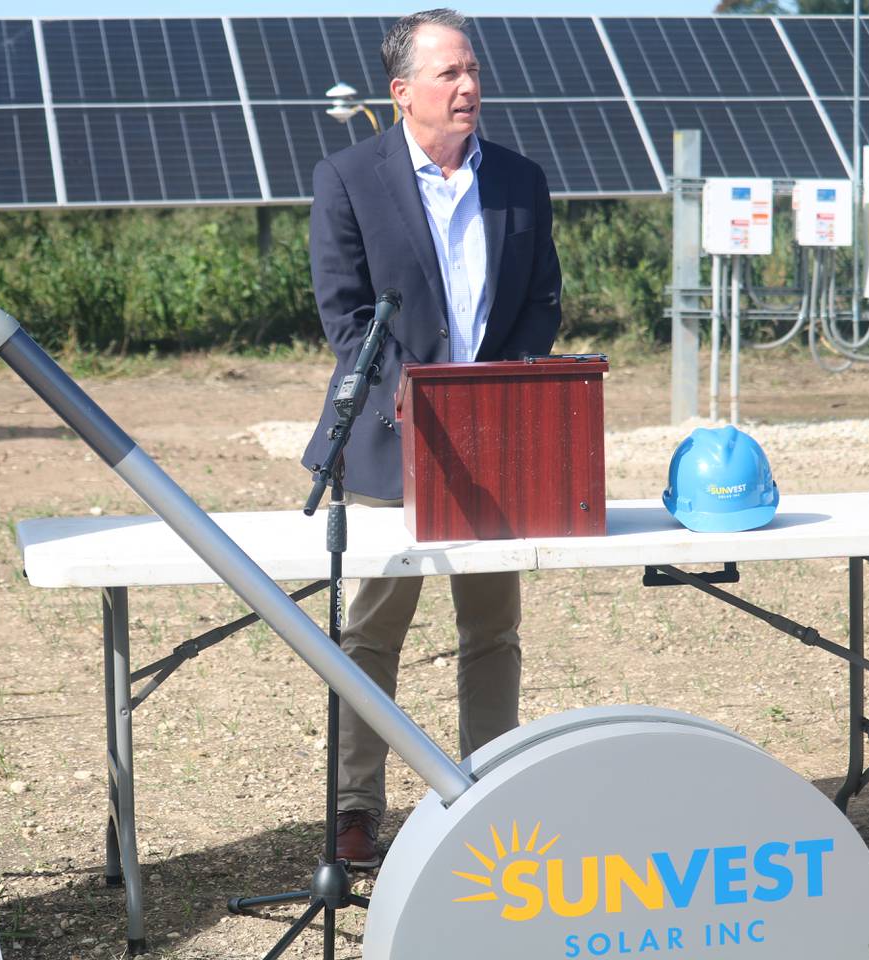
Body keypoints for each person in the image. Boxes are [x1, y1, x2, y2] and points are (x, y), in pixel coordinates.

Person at [300, 8, 562, 869]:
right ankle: (355, 807)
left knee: (494, 626)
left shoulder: (520, 180)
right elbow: (344, 315)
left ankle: (492, 784)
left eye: (473, 70)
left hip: (496, 443)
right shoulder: (348, 177)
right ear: (401, 91)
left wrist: (508, 390)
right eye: (449, 73)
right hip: (390, 437)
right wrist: (403, 393)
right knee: (374, 626)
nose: (468, 86)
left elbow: (540, 303)